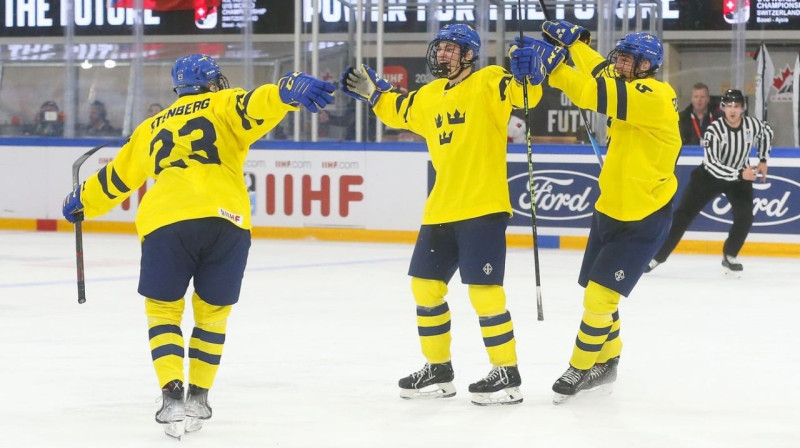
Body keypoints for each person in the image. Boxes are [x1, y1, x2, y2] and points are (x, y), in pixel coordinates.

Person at [61, 54, 335, 438]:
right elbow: (257, 103)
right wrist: (286, 91)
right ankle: (200, 396)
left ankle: (172, 392)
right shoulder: (225, 102)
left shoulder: (149, 127)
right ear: (212, 82)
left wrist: (81, 200)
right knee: (213, 314)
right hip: (228, 222)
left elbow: (118, 178)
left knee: (163, 311)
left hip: (166, 223)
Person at [340, 23, 545, 406]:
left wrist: (530, 72)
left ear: (469, 55)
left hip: (483, 205)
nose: (443, 55)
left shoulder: (490, 81)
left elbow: (524, 94)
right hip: (440, 209)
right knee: (425, 287)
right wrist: (373, 92)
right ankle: (438, 369)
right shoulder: (430, 94)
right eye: (441, 49)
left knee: (485, 293)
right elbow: (399, 110)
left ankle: (507, 373)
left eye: (452, 49)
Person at [514, 22, 681, 403]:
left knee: (599, 300)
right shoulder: (628, 81)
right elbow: (596, 71)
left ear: (646, 67)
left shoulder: (653, 95)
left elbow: (591, 91)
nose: (618, 64)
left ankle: (581, 367)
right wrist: (574, 45)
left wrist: (554, 68)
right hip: (610, 207)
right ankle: (609, 361)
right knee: (597, 293)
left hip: (644, 216)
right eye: (618, 57)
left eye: (627, 60)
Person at [646, 89, 773, 276]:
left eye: (736, 106)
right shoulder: (714, 130)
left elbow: (767, 132)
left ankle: (730, 255)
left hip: (739, 178)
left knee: (745, 217)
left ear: (742, 108)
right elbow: (713, 164)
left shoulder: (751, 125)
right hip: (709, 178)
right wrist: (740, 174)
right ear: (722, 107)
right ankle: (656, 257)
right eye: (729, 106)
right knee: (682, 216)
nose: (732, 110)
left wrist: (763, 159)